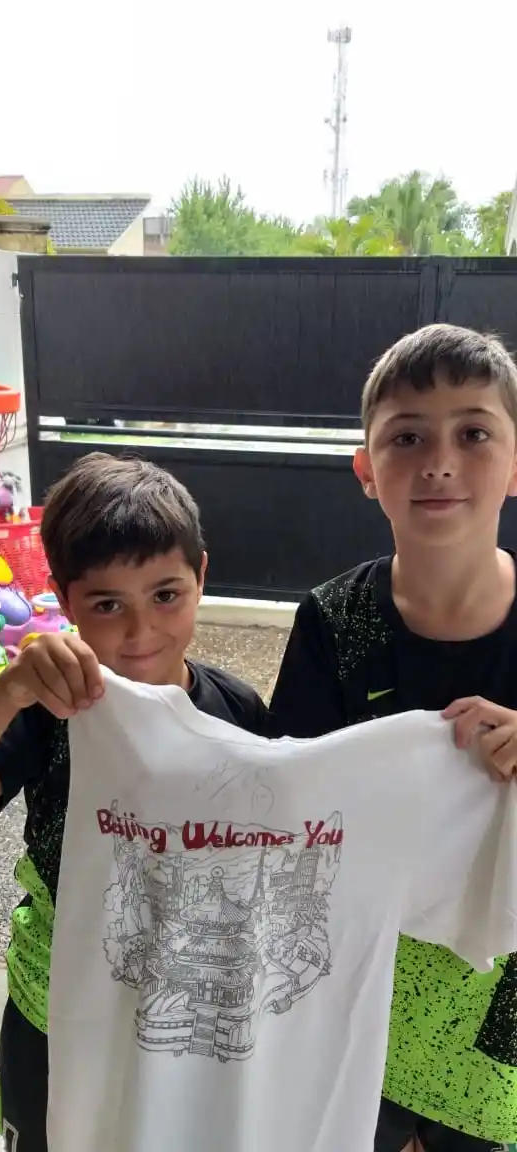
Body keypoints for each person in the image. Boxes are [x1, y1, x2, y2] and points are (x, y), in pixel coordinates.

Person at [0, 452, 269, 1152]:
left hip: (185, 1007)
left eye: (166, 595)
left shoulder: (239, 707)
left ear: (202, 578)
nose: (139, 632)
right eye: (106, 604)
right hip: (59, 1006)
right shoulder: (47, 711)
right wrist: (7, 689)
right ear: (64, 603)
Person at [270, 323, 517, 1152]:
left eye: (474, 432)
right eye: (407, 436)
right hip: (356, 1015)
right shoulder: (331, 621)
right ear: (366, 470)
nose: (439, 460)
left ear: (516, 464)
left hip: (497, 1045)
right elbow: (284, 816)